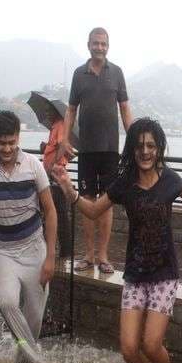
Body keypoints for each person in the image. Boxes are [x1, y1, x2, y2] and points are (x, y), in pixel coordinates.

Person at [54, 117, 182, 363]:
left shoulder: (170, 179)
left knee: (150, 345)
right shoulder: (125, 183)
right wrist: (68, 188)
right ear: (132, 150)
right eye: (139, 146)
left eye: (151, 146)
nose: (145, 152)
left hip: (164, 274)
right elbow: (95, 210)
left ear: (159, 148)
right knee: (127, 348)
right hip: (136, 274)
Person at [0, 110, 66, 363]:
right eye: (1, 143)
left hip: (35, 251)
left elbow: (50, 211)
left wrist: (50, 257)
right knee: (7, 302)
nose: (7, 148)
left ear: (18, 139)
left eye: (11, 142)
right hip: (6, 251)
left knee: (33, 320)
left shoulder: (33, 166)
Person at [60, 27, 133, 274]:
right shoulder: (79, 74)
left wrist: (133, 140)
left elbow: (124, 108)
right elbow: (71, 110)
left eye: (103, 44)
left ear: (108, 46)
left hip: (111, 150)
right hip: (87, 150)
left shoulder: (117, 73)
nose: (99, 47)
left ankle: (103, 256)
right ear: (88, 44)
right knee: (86, 199)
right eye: (95, 43)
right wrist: (64, 139)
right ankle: (89, 255)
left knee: (106, 202)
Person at [41, 108, 73, 258]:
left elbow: (61, 146)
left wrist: (53, 163)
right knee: (51, 211)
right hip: (51, 174)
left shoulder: (60, 125)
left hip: (55, 174)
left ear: (55, 112)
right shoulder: (55, 126)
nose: (46, 114)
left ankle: (66, 251)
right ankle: (52, 248)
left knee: (60, 213)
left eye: (48, 112)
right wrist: (46, 148)